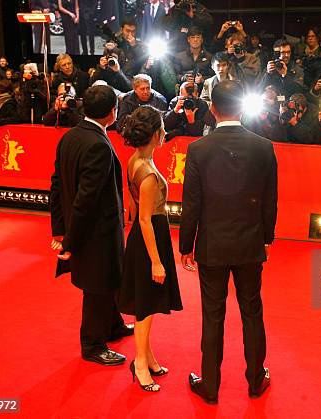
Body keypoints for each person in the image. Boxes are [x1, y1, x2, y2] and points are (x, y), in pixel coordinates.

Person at [180, 80, 277, 404]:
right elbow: (269, 201)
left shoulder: (198, 149)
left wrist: (185, 245)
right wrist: (266, 239)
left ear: (212, 108)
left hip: (212, 245)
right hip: (250, 243)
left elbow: (191, 202)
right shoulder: (264, 147)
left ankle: (210, 385)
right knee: (252, 311)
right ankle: (255, 379)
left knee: (213, 314)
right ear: (243, 105)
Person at [50, 85, 133, 366]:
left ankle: (113, 325)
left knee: (107, 280)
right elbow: (87, 199)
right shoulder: (97, 144)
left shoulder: (71, 136)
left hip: (83, 228)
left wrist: (60, 229)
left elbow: (56, 185)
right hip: (96, 232)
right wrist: (69, 241)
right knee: (98, 286)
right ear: (113, 112)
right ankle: (93, 345)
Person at [117, 105, 183, 392]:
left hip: (146, 238)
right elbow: (143, 219)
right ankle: (140, 363)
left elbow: (132, 211)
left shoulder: (135, 160)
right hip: (150, 239)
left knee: (148, 305)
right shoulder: (147, 173)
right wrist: (156, 262)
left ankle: (149, 357)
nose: (166, 131)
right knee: (144, 307)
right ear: (156, 133)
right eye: (163, 127)